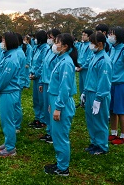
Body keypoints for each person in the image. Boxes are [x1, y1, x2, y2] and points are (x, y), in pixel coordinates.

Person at [44, 33, 78, 176]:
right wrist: (53, 105)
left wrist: (58, 107)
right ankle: (60, 163)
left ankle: (63, 168)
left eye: (57, 42)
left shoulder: (66, 63)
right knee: (56, 134)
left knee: (61, 136)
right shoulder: (61, 59)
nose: (54, 44)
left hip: (62, 103)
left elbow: (65, 88)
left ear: (65, 47)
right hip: (56, 100)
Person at [0, 32, 21, 157]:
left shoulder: (11, 59)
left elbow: (4, 79)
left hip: (8, 92)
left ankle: (10, 148)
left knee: (7, 121)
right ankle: (7, 142)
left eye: (3, 40)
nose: (1, 43)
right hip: (7, 92)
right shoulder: (8, 55)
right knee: (6, 120)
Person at [83, 32, 112, 155]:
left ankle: (102, 146)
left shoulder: (104, 60)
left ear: (100, 44)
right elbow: (90, 76)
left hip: (99, 94)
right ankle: (94, 142)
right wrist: (84, 92)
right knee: (91, 119)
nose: (90, 45)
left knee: (100, 120)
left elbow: (104, 81)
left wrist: (99, 98)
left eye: (92, 42)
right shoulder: (95, 56)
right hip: (90, 92)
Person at [38, 28, 61, 142]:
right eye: (48, 37)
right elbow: (44, 67)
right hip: (46, 83)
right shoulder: (49, 50)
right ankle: (49, 130)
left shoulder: (58, 54)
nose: (49, 40)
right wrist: (42, 81)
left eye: (51, 37)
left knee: (52, 109)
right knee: (47, 109)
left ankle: (53, 133)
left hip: (53, 85)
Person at [28, 30, 49, 129]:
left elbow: (43, 65)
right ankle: (37, 118)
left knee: (42, 100)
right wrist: (31, 72)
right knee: (36, 99)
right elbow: (34, 62)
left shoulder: (45, 49)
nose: (34, 40)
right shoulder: (37, 48)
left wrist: (36, 74)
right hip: (35, 77)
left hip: (40, 77)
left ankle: (43, 120)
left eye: (36, 37)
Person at [76, 29, 94, 107]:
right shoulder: (82, 44)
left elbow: (89, 58)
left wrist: (83, 67)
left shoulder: (90, 45)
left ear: (89, 36)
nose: (82, 36)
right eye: (82, 35)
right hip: (80, 67)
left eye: (84, 35)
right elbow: (79, 55)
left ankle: (87, 101)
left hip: (86, 69)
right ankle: (82, 101)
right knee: (81, 85)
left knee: (86, 85)